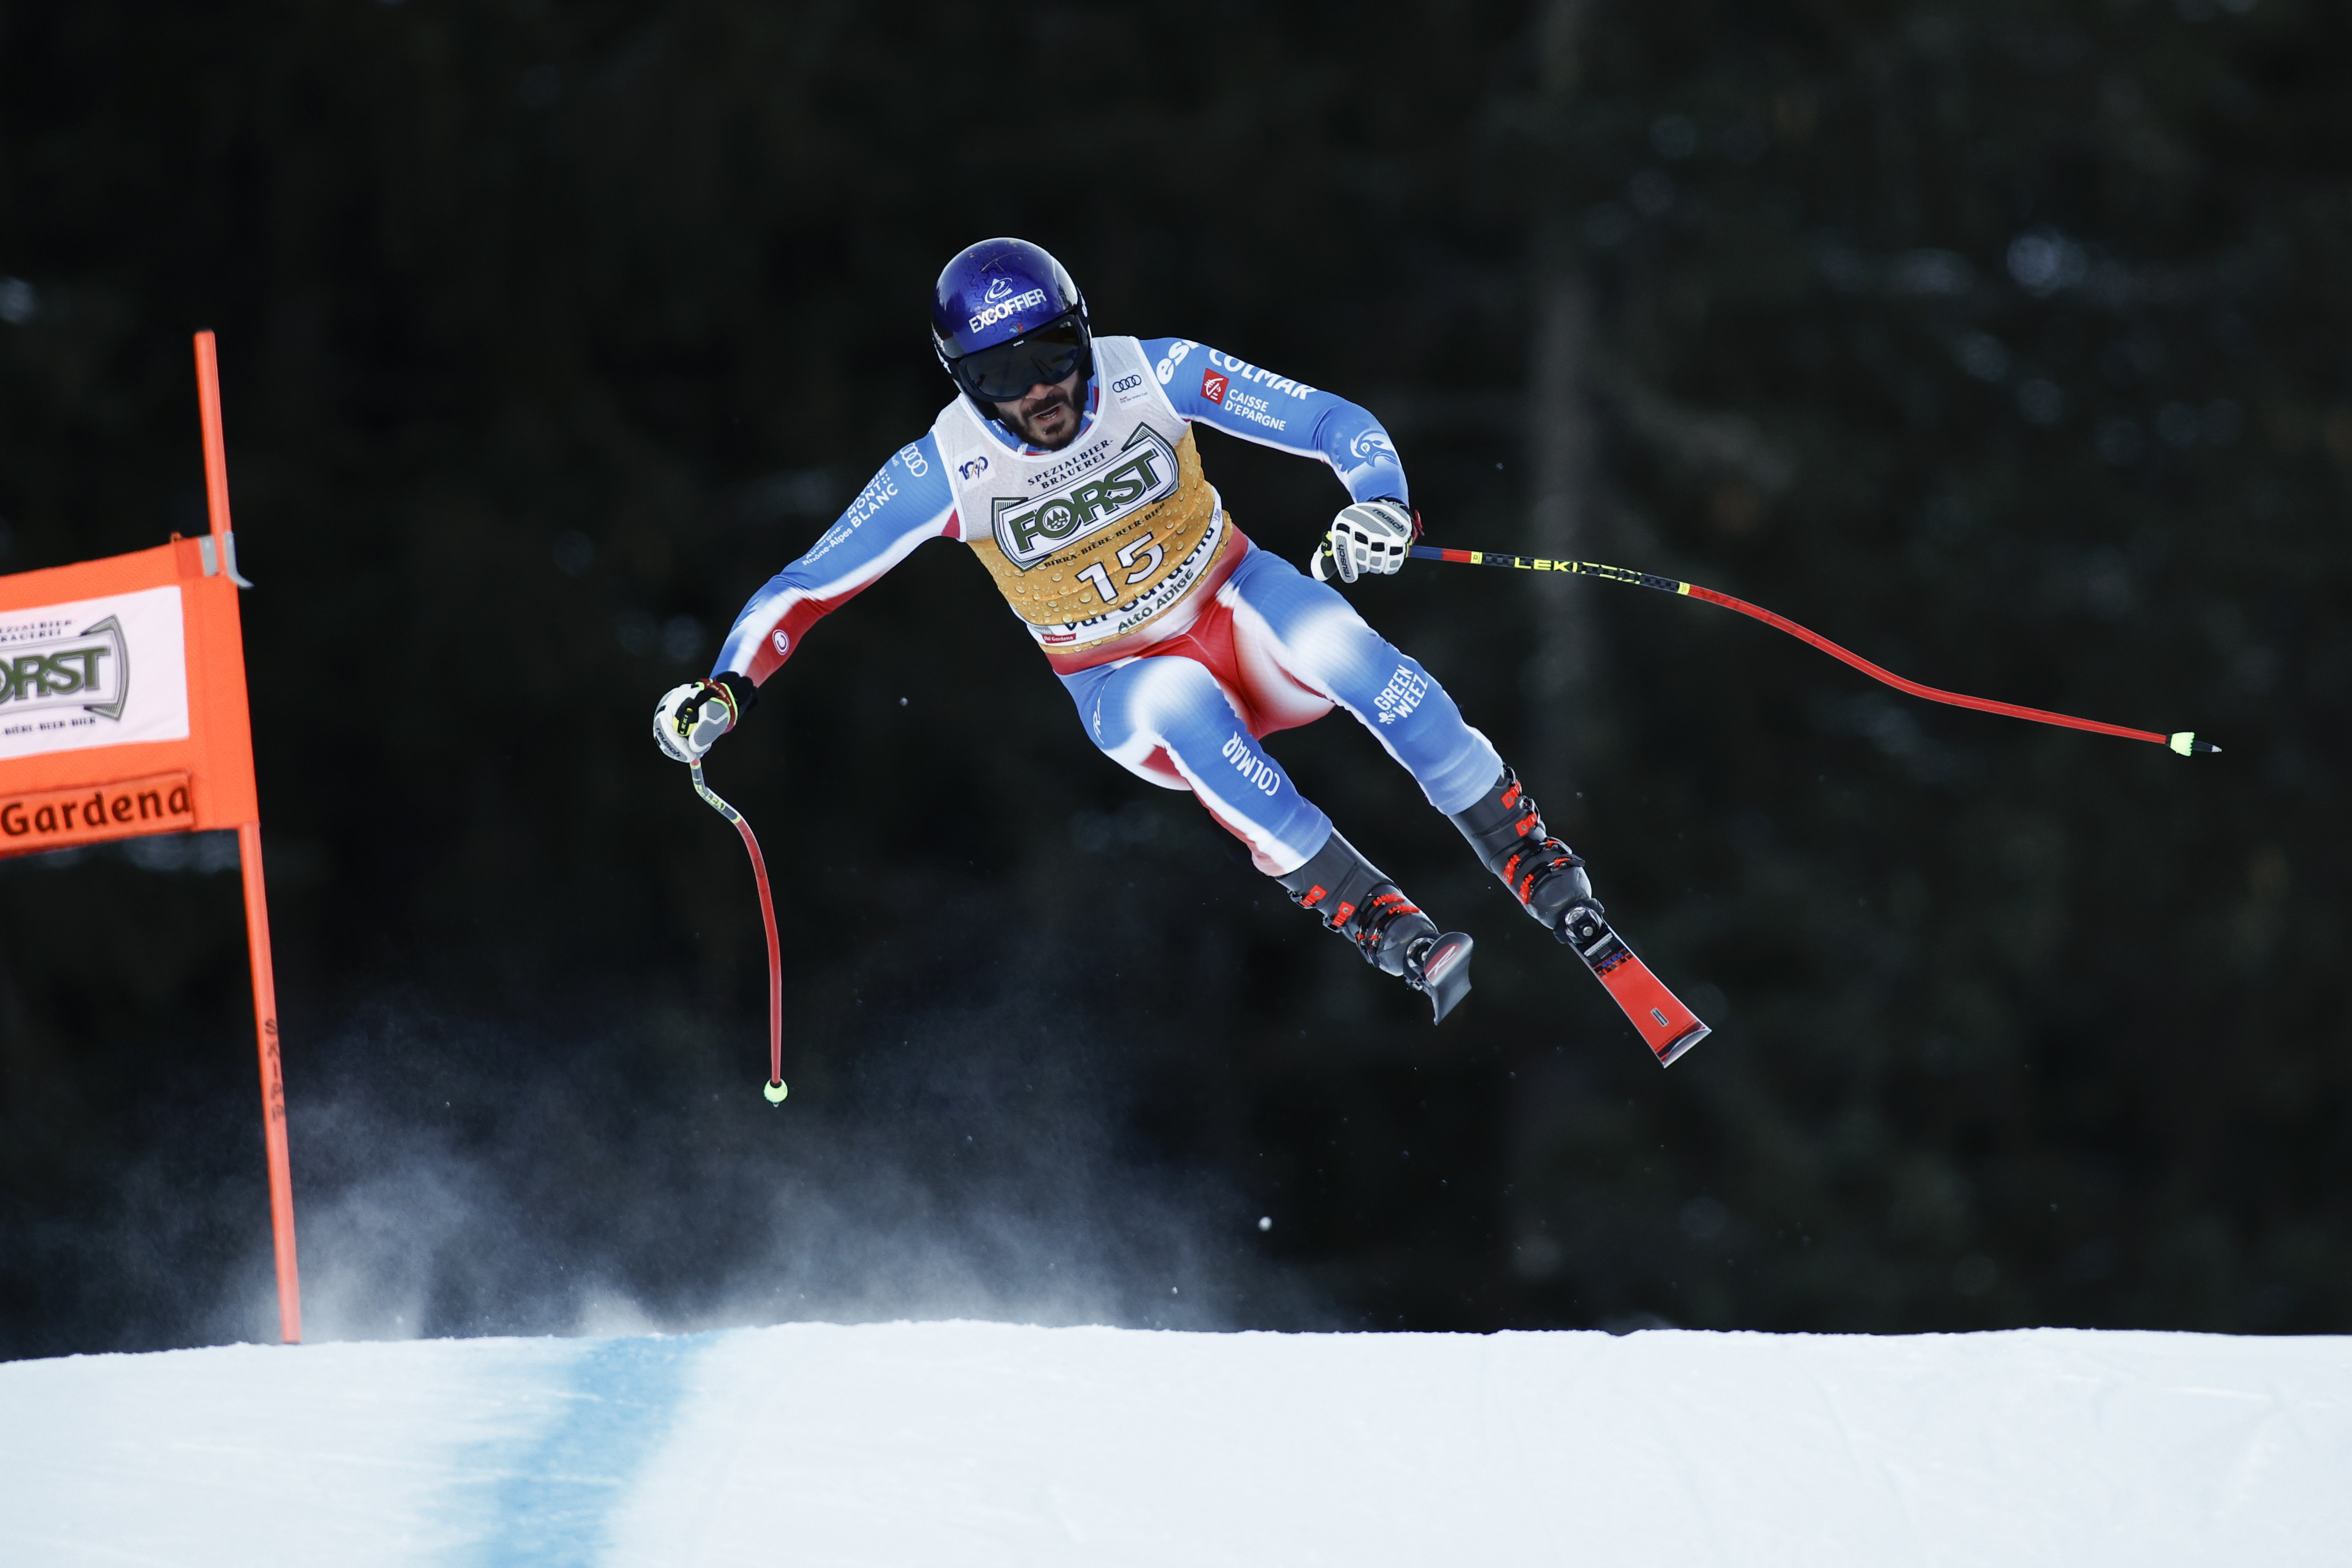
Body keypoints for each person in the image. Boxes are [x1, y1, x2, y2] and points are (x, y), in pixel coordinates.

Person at [653, 238, 1597, 1022]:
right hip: (1122, 682)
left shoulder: (1156, 372)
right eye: (1001, 374)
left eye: (1054, 353)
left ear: (1084, 330)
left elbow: (1330, 421)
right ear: (958, 378)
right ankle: (1377, 917)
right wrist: (726, 690)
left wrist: (1381, 504)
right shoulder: (941, 470)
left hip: (1237, 605)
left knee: (1334, 640)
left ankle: (1521, 847)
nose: (1040, 392)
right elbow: (807, 587)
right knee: (1182, 699)